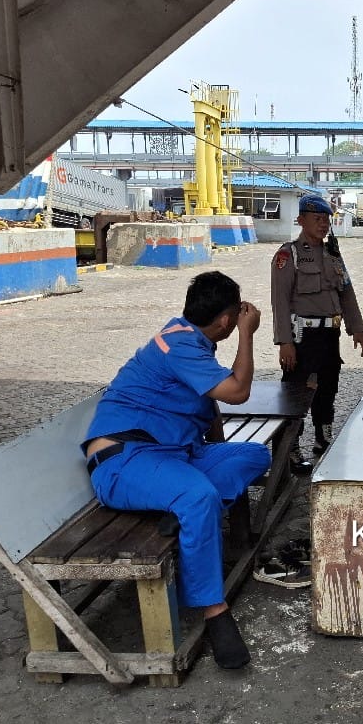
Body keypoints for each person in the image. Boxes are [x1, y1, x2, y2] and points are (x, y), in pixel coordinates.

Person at [81, 271, 270, 669]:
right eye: (236, 315)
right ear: (225, 320)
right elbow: (237, 392)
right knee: (199, 496)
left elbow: (208, 403)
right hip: (124, 461)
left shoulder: (191, 338)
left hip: (173, 455)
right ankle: (214, 611)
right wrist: (247, 333)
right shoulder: (180, 345)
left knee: (254, 455)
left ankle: (177, 509)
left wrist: (214, 449)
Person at [271, 194, 363, 473]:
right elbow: (280, 301)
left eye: (326, 219)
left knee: (328, 387)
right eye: (317, 219)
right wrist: (285, 342)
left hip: (329, 336)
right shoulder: (288, 255)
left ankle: (323, 438)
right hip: (303, 337)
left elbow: (346, 292)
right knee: (297, 393)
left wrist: (357, 328)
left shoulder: (332, 254)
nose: (323, 224)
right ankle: (290, 448)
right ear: (301, 220)